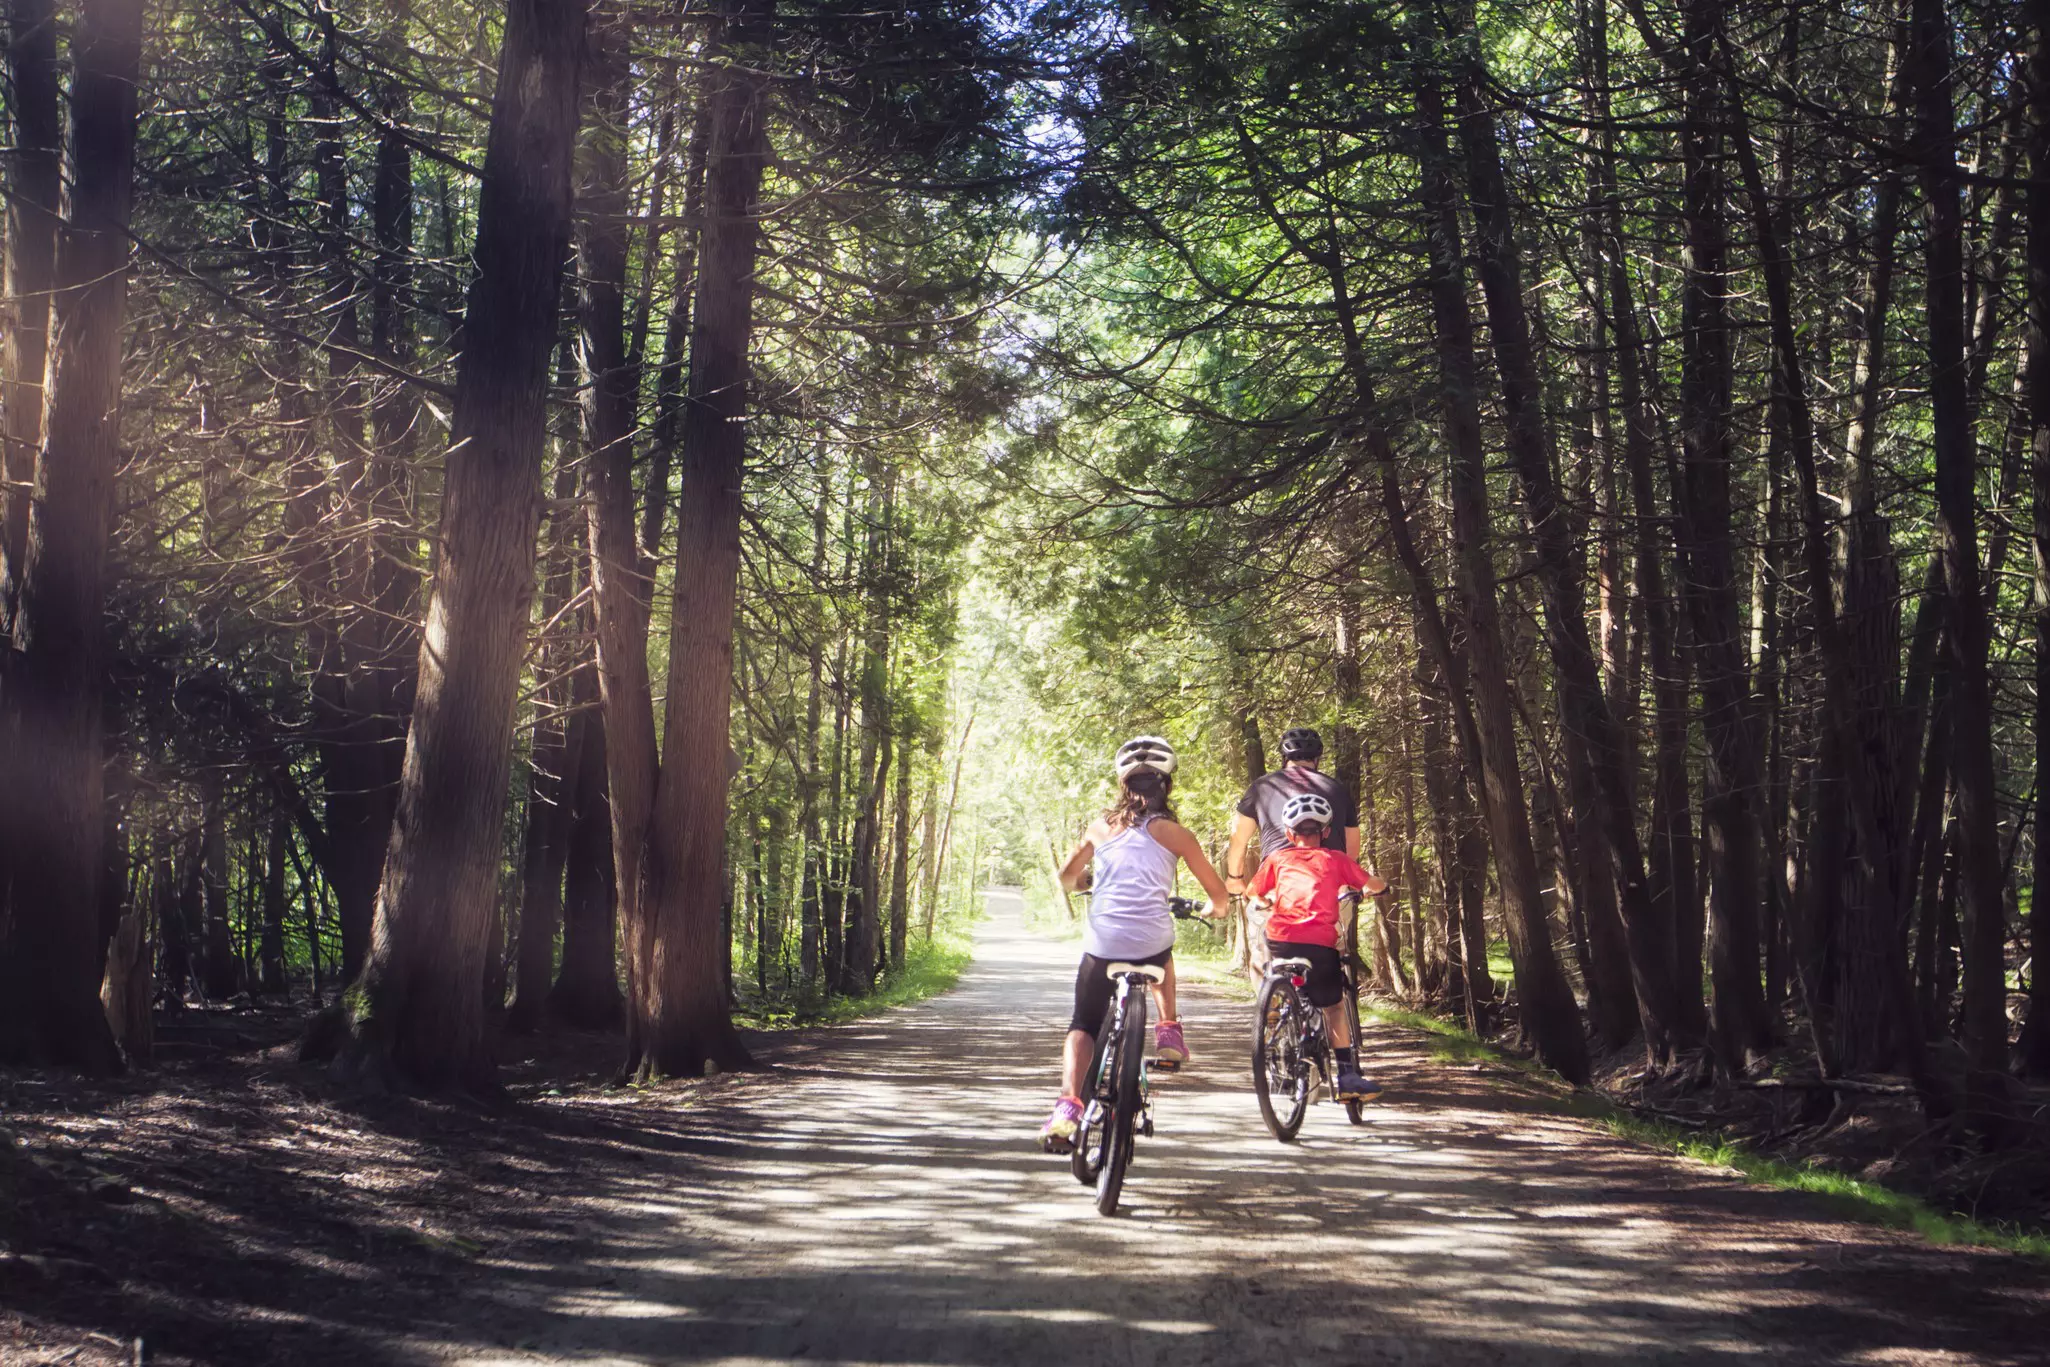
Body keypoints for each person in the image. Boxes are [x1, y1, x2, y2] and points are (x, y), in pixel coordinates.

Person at [1041, 735, 1229, 1154]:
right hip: (1151, 942)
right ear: (1166, 784)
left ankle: (1068, 1106)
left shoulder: (1098, 828)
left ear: (1123, 785)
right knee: (1162, 947)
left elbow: (1067, 879)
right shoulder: (1178, 835)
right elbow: (1219, 898)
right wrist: (1212, 909)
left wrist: (1089, 882)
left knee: (1083, 1024)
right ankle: (1169, 1031)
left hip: (1104, 942)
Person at [1247, 790, 1387, 1101]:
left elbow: (1252, 892)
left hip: (1280, 940)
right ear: (1325, 832)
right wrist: (1375, 888)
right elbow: (1373, 885)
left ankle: (1276, 1008)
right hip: (1319, 944)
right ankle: (1348, 1077)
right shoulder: (1335, 859)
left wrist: (1265, 900)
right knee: (1334, 1007)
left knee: (1279, 973)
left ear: (1288, 833)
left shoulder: (1277, 858)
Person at [1224, 727, 1360, 897]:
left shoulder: (1261, 788)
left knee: (1264, 915)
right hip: (1328, 885)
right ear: (1317, 759)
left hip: (1276, 882)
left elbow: (1238, 837)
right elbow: (1352, 850)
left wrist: (1234, 878)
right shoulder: (1338, 790)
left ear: (1284, 758)